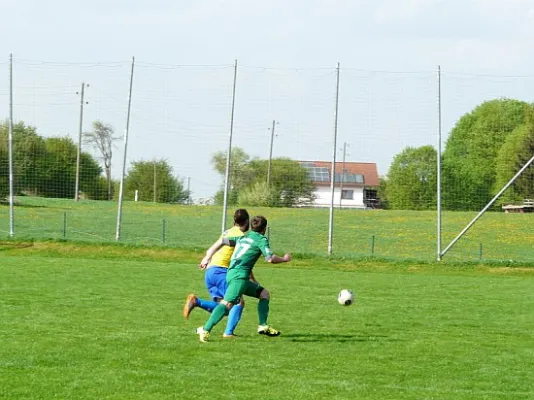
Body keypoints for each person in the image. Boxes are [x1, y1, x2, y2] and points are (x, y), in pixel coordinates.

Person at [195, 215, 291, 343]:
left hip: (235, 275)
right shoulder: (261, 239)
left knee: (264, 294)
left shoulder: (243, 237)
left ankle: (263, 325)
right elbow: (270, 259)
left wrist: (207, 257)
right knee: (227, 304)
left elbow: (223, 241)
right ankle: (205, 329)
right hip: (238, 277)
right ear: (264, 229)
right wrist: (284, 259)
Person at [183, 209, 249, 338]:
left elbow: (215, 247)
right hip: (221, 271)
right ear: (247, 221)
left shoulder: (228, 232)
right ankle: (228, 333)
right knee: (238, 302)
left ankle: (197, 302)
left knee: (223, 307)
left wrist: (206, 258)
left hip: (211, 271)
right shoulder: (241, 236)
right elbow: (242, 260)